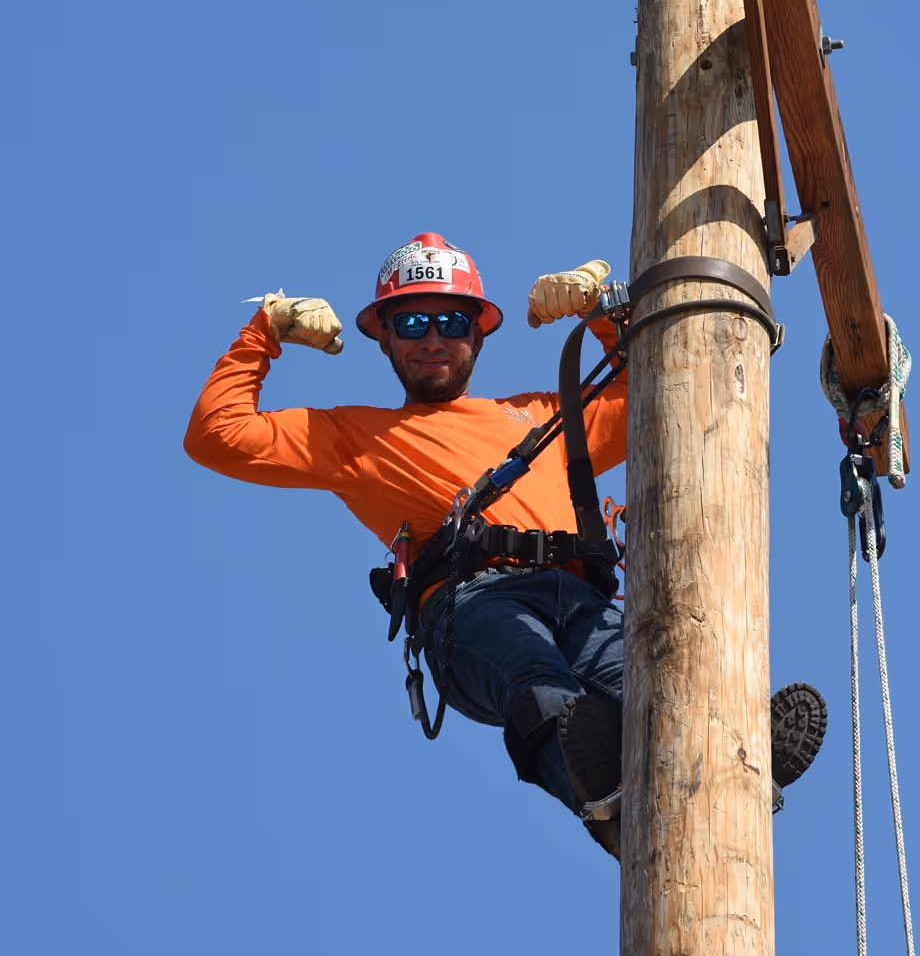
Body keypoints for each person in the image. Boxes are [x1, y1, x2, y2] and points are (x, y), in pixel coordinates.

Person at [184, 231, 826, 857]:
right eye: (410, 325)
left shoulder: (541, 414)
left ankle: (737, 757)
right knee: (540, 683)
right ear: (383, 338)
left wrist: (603, 312)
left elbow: (658, 392)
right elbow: (217, 434)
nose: (433, 339)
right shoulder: (354, 438)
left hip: (579, 596)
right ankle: (607, 801)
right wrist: (266, 328)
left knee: (659, 687)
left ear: (477, 334)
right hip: (471, 607)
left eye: (450, 321)